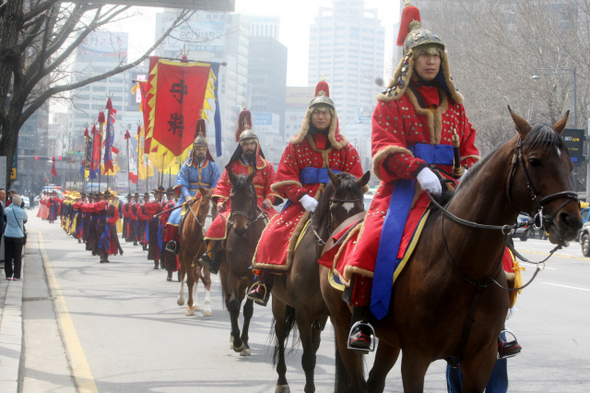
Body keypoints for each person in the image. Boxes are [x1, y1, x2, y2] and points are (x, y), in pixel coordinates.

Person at [341, 1, 480, 351]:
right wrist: (417, 169)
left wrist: (469, 173)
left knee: (492, 238)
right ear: (410, 60)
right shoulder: (390, 102)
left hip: (452, 186)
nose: (431, 60)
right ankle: (363, 320)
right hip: (407, 188)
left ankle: (497, 322)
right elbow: (384, 144)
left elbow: (469, 143)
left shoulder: (456, 103)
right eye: (424, 54)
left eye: (436, 54)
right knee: (373, 237)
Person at [246, 80, 364, 306]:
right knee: (272, 232)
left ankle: (361, 287)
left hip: (338, 202)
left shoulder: (346, 148)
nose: (321, 117)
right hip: (302, 202)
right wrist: (301, 196)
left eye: (325, 113)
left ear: (333, 117)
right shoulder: (295, 145)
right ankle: (261, 281)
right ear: (309, 116)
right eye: (316, 112)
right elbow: (284, 175)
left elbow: (357, 179)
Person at [199, 109, 281, 274]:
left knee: (277, 226)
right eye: (245, 144)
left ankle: (277, 260)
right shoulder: (233, 166)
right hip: (236, 204)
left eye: (251, 143)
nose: (248, 147)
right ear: (241, 146)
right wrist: (221, 202)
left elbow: (273, 187)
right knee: (218, 223)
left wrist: (269, 200)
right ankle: (212, 256)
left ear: (256, 144)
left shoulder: (267, 166)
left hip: (261, 205)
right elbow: (222, 185)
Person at [163, 120, 221, 254]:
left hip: (208, 198)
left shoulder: (212, 166)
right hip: (188, 198)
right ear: (194, 150)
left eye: (203, 149)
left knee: (221, 220)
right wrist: (188, 196)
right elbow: (182, 183)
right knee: (174, 218)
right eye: (199, 149)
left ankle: (218, 250)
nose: (201, 152)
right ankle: (174, 243)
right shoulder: (186, 166)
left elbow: (217, 183)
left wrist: (208, 194)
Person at [4, 194, 27, 280]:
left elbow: (5, 217)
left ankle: (8, 275)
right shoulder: (22, 212)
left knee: (8, 255)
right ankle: (16, 275)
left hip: (8, 234)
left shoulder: (7, 210)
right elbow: (25, 220)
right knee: (17, 256)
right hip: (18, 236)